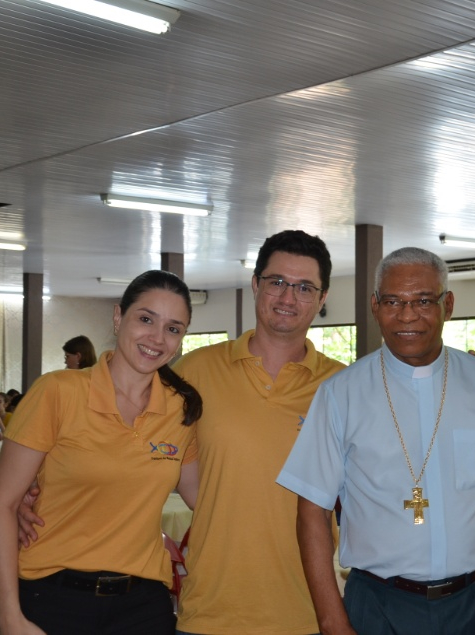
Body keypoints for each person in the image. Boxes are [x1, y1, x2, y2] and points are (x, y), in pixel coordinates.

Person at [278, 246, 475, 635]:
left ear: (447, 304)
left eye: (423, 301)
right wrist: (332, 620)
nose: (407, 315)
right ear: (374, 305)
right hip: (379, 603)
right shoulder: (340, 394)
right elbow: (311, 512)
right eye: (393, 302)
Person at [0, 270, 202, 635]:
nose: (157, 338)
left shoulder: (181, 410)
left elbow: (206, 499)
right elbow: (1, 505)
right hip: (52, 597)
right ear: (118, 317)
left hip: (143, 605)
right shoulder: (58, 391)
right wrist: (9, 617)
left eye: (173, 329)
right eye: (146, 319)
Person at [172, 230, 345, 635]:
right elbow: (135, 453)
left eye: (305, 288)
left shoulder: (343, 386)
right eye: (277, 282)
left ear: (321, 300)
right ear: (255, 285)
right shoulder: (194, 372)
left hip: (306, 613)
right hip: (210, 612)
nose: (288, 298)